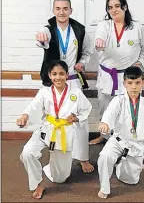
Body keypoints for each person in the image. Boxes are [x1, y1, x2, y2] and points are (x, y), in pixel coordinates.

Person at [35, 0, 94, 172]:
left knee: (80, 120)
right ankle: (53, 152)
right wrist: (41, 38)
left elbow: (87, 51)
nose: (61, 12)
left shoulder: (79, 30)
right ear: (53, 10)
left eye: (65, 8)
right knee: (51, 118)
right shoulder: (47, 29)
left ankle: (83, 158)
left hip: (73, 81)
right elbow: (41, 40)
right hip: (52, 81)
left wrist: (82, 62)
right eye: (58, 8)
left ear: (70, 10)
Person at [17, 60, 92, 199]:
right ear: (50, 76)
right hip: (46, 129)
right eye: (54, 74)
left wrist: (76, 118)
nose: (58, 77)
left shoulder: (75, 93)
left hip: (64, 132)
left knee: (60, 178)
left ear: (67, 75)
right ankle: (37, 183)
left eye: (61, 74)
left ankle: (50, 168)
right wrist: (25, 116)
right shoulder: (44, 92)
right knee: (27, 153)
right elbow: (33, 106)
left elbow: (87, 109)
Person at [89, 0, 144, 145]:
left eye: (117, 6)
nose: (114, 10)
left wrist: (140, 63)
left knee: (129, 110)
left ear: (124, 7)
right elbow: (100, 37)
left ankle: (129, 139)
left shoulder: (137, 27)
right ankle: (104, 137)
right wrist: (99, 42)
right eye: (110, 7)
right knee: (105, 108)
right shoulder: (103, 25)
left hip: (128, 78)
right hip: (107, 76)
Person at [96, 66, 144, 199]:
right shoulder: (118, 100)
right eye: (130, 83)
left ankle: (124, 165)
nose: (133, 87)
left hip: (136, 144)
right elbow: (110, 112)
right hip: (119, 140)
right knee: (104, 156)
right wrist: (105, 123)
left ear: (142, 83)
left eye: (137, 83)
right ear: (124, 84)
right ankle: (104, 188)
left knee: (130, 180)